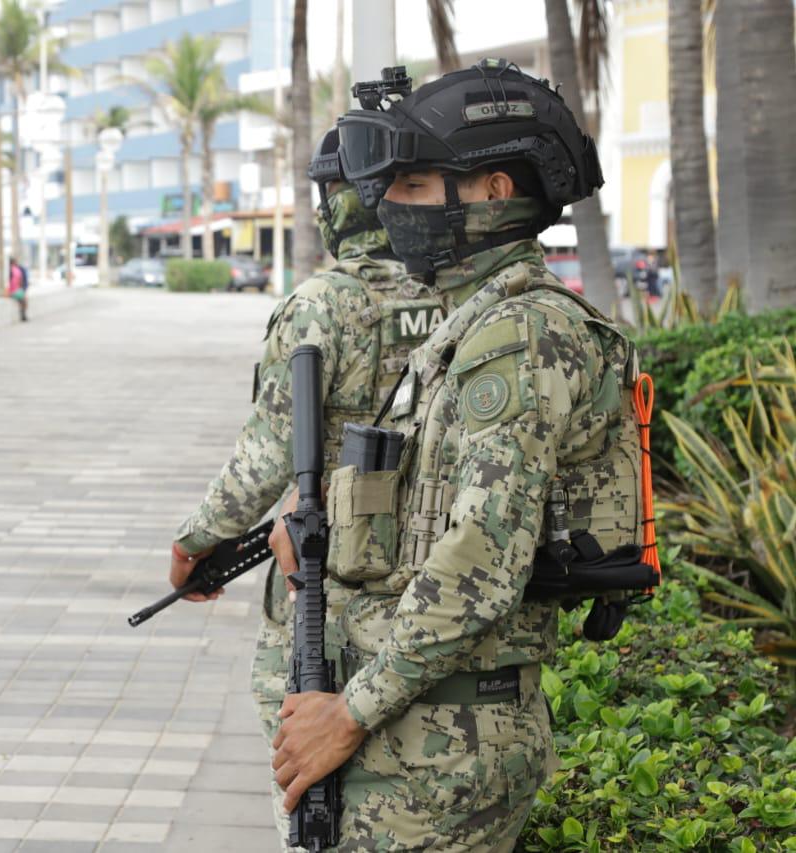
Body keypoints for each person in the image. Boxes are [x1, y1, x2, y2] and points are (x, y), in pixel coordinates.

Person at [269, 59, 646, 850]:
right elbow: (429, 517)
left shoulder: (521, 334)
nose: (388, 209)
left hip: (440, 743)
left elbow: (478, 564)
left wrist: (350, 712)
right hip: (427, 726)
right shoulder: (469, 326)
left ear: (491, 192)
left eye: (412, 188)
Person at [170, 127, 441, 846]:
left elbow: (268, 454)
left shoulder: (324, 303)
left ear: (339, 204)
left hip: (331, 578)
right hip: (435, 582)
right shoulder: (454, 295)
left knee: (303, 759)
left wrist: (197, 541)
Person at [8, 255, 30, 322]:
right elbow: (21, 281)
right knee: (24, 299)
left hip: (15, 290)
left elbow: (20, 281)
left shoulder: (16, 270)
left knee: (23, 299)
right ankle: (23, 314)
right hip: (13, 290)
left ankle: (23, 314)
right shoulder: (15, 270)